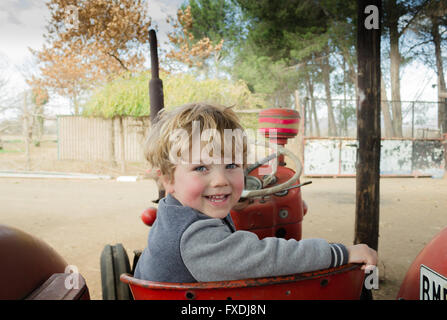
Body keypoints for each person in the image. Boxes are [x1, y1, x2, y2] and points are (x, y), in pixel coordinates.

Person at [134, 102, 377, 283]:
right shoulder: (195, 238)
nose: (220, 181)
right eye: (200, 168)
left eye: (231, 166)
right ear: (168, 180)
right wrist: (341, 253)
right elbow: (269, 258)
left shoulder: (174, 213)